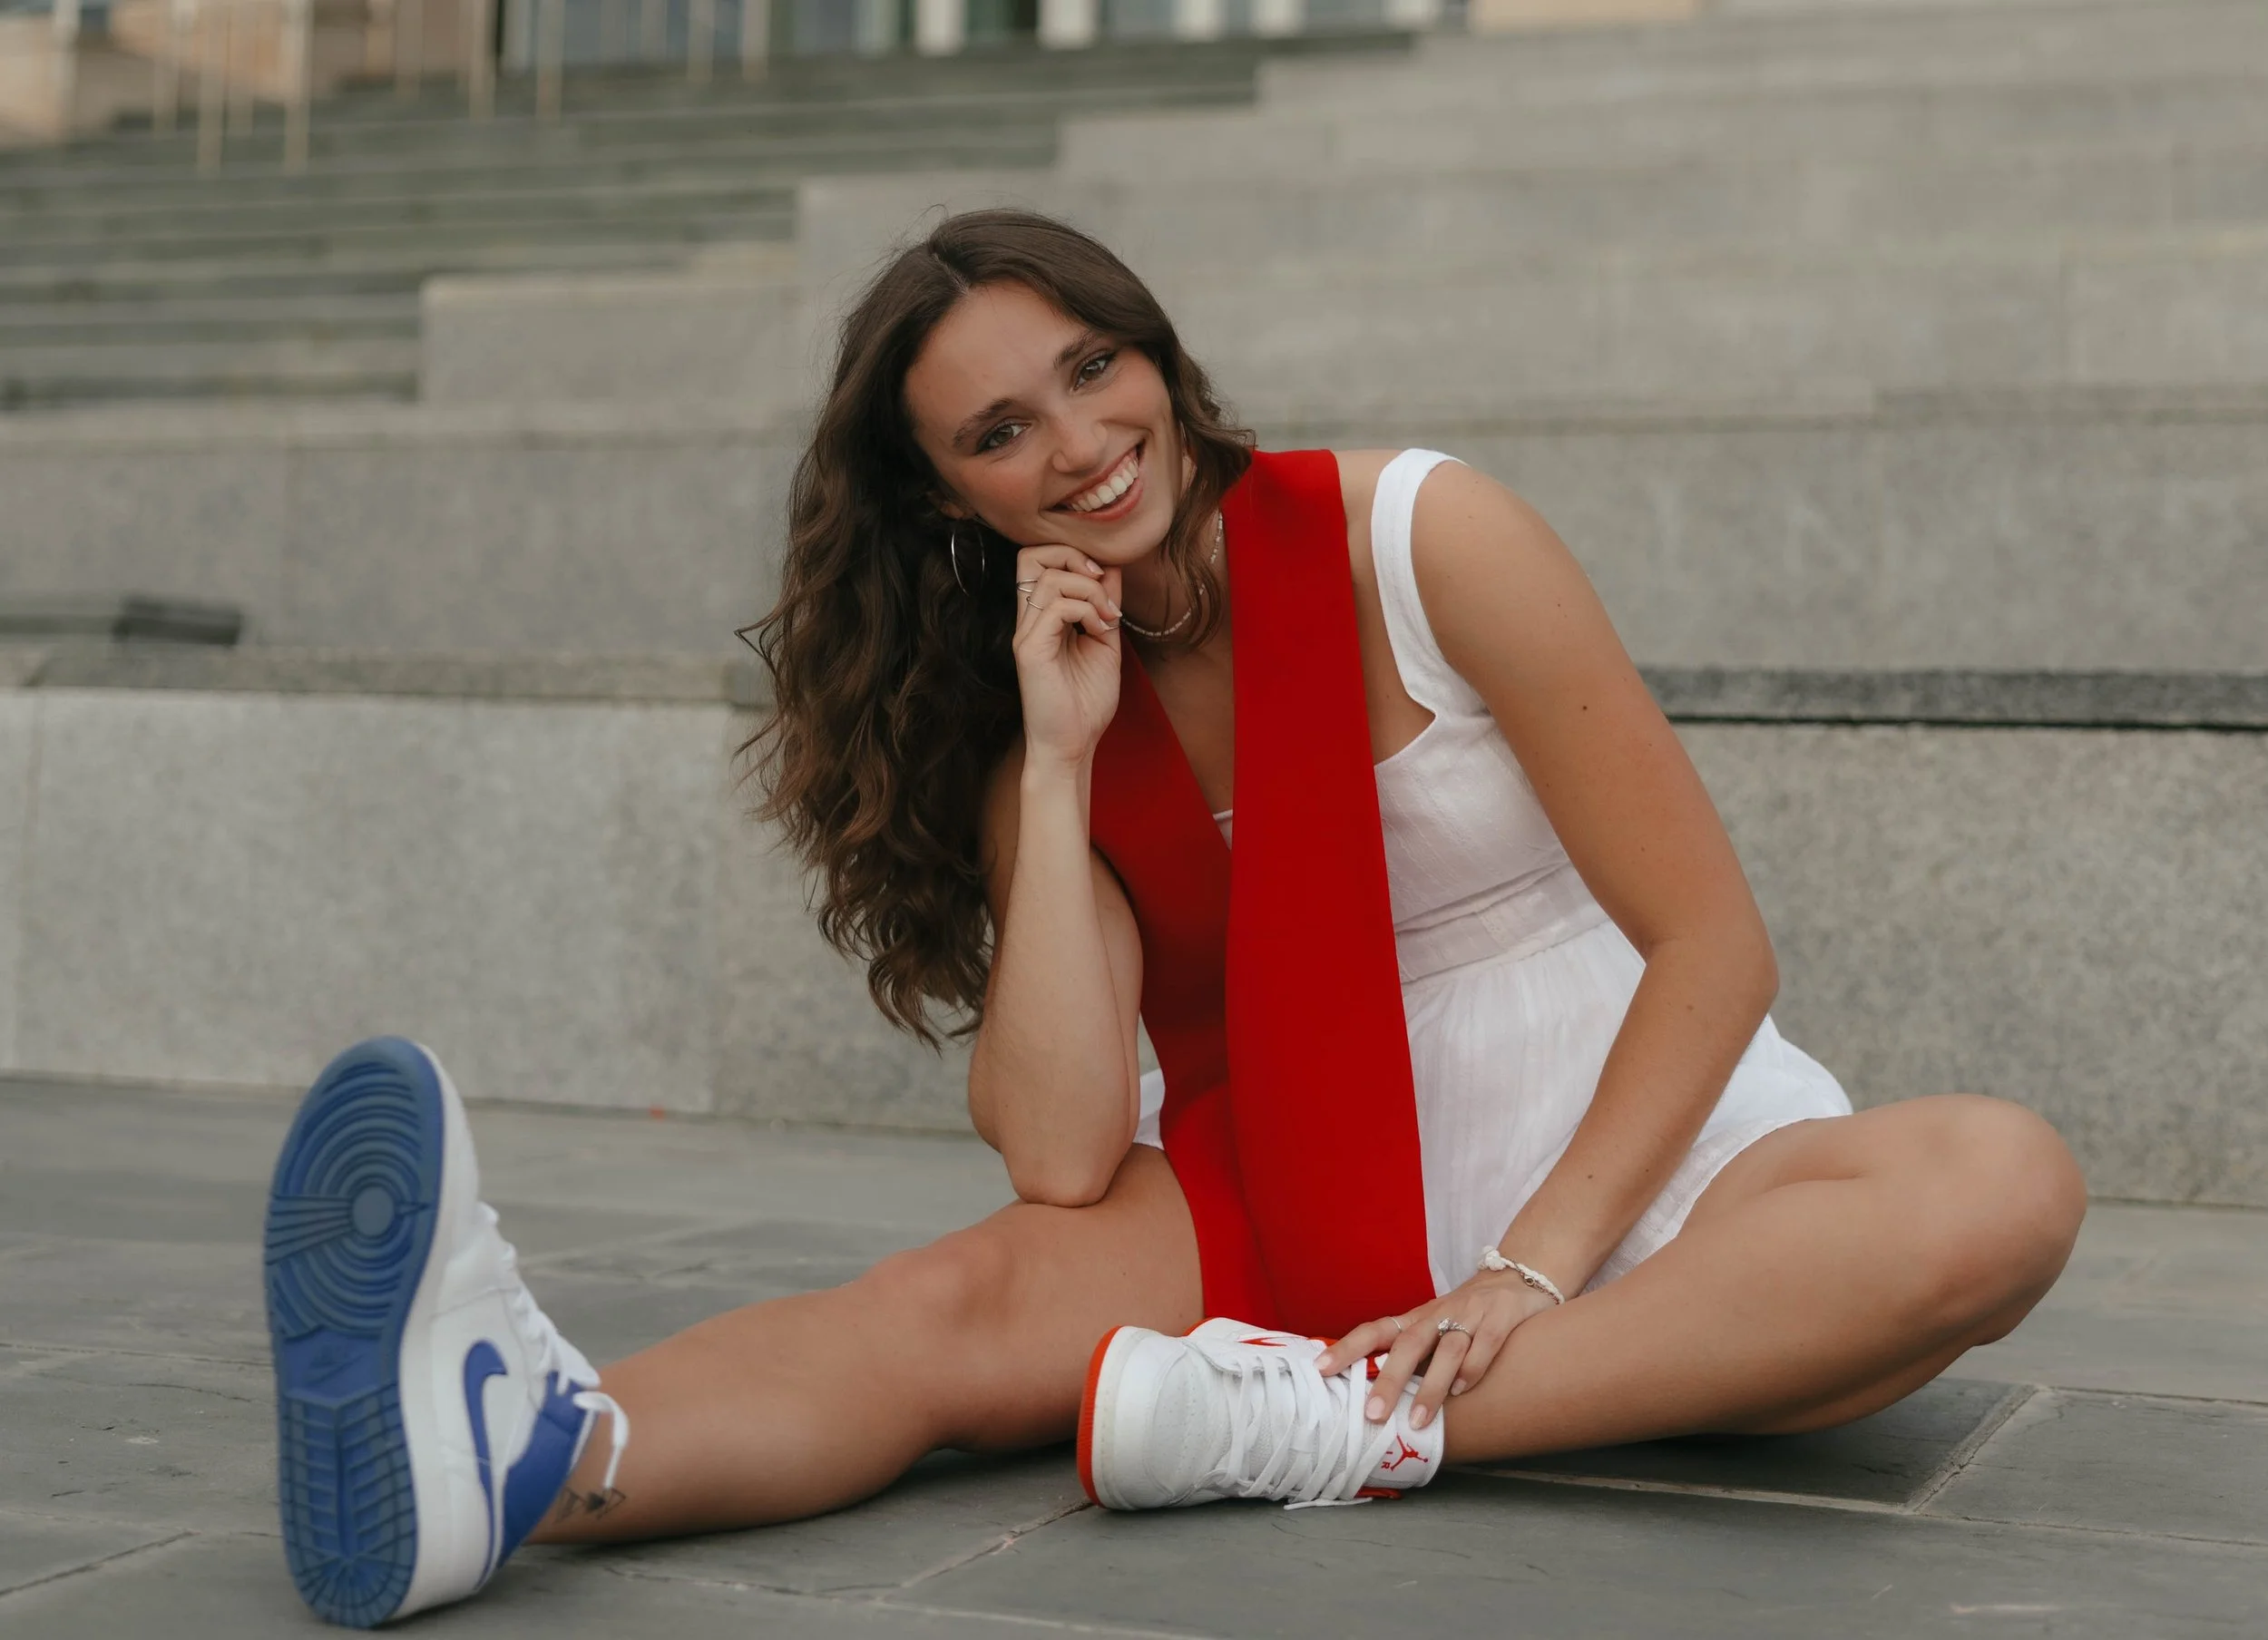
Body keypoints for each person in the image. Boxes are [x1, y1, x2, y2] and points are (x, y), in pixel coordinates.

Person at [260, 210, 2087, 1626]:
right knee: (949, 1305)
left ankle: (1335, 1425)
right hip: (1272, 1147)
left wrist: (1522, 1273)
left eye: (1092, 367)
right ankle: (531, 1452)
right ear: (944, 492)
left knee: (1992, 1194)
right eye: (1000, 429)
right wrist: (1059, 765)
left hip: (1614, 1127)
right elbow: (1061, 1154)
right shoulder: (1038, 718)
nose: (1079, 443)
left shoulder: (1419, 538)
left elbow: (1712, 948)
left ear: (1154, 349)